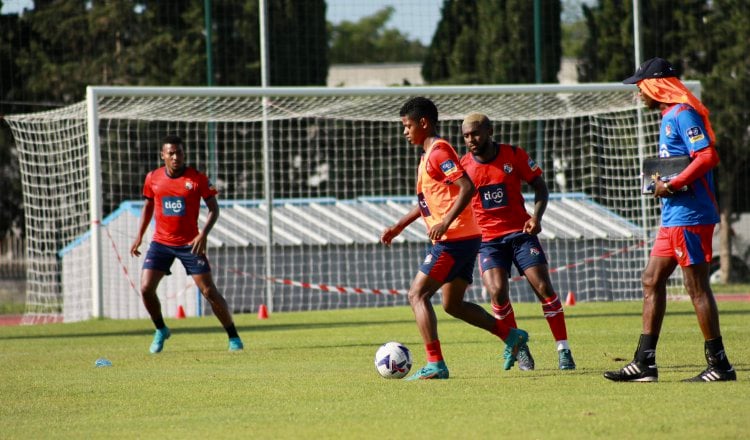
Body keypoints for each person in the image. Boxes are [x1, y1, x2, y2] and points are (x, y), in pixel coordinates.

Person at [604, 57, 735, 382]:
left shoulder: (682, 113)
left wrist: (673, 184)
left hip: (688, 215)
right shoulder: (670, 116)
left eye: (640, 86)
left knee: (696, 287)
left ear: (656, 85)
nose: (638, 93)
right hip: (674, 215)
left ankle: (719, 365)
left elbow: (707, 156)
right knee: (651, 279)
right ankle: (644, 363)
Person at [380, 97, 528, 380]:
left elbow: (467, 187)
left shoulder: (438, 152)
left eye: (407, 126)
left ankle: (435, 363)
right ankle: (511, 335)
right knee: (453, 305)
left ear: (423, 123)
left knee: (417, 295)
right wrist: (399, 226)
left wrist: (445, 222)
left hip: (453, 238)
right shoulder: (427, 157)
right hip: (465, 237)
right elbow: (428, 201)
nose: (405, 132)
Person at [459, 113, 576, 371]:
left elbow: (540, 187)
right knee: (497, 291)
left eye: (476, 133)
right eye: (466, 135)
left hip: (521, 234)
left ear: (490, 131)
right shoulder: (463, 166)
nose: (471, 140)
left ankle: (564, 350)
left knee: (543, 287)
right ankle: (518, 347)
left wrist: (537, 216)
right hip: (488, 241)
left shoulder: (514, 154)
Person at [130, 135, 243, 354]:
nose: (175, 157)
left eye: (179, 152)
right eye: (170, 153)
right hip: (161, 243)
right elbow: (148, 207)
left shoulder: (197, 179)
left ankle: (233, 337)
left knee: (209, 291)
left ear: (184, 154)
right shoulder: (152, 178)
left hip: (190, 244)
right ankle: (161, 329)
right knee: (145, 288)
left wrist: (203, 234)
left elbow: (214, 209)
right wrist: (139, 236)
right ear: (163, 155)